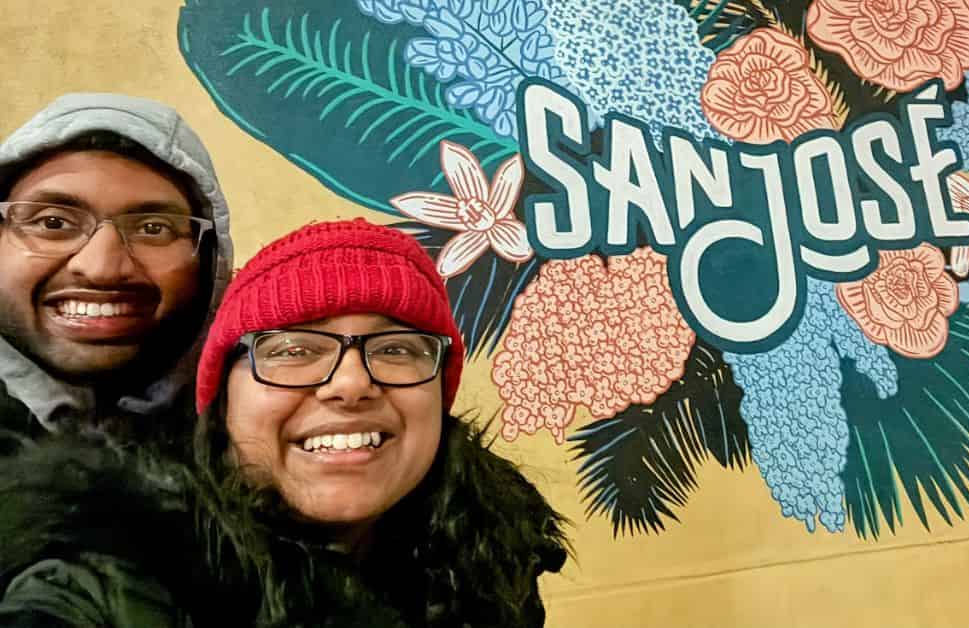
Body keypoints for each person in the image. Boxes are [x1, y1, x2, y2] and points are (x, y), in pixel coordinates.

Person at [0, 219, 568, 627]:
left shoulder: (492, 558)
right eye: (293, 351)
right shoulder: (116, 580)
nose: (351, 383)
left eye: (396, 348)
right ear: (222, 400)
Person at [0, 93, 232, 448]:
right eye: (53, 222)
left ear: (210, 261)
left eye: (153, 228)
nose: (101, 269)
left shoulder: (258, 444)